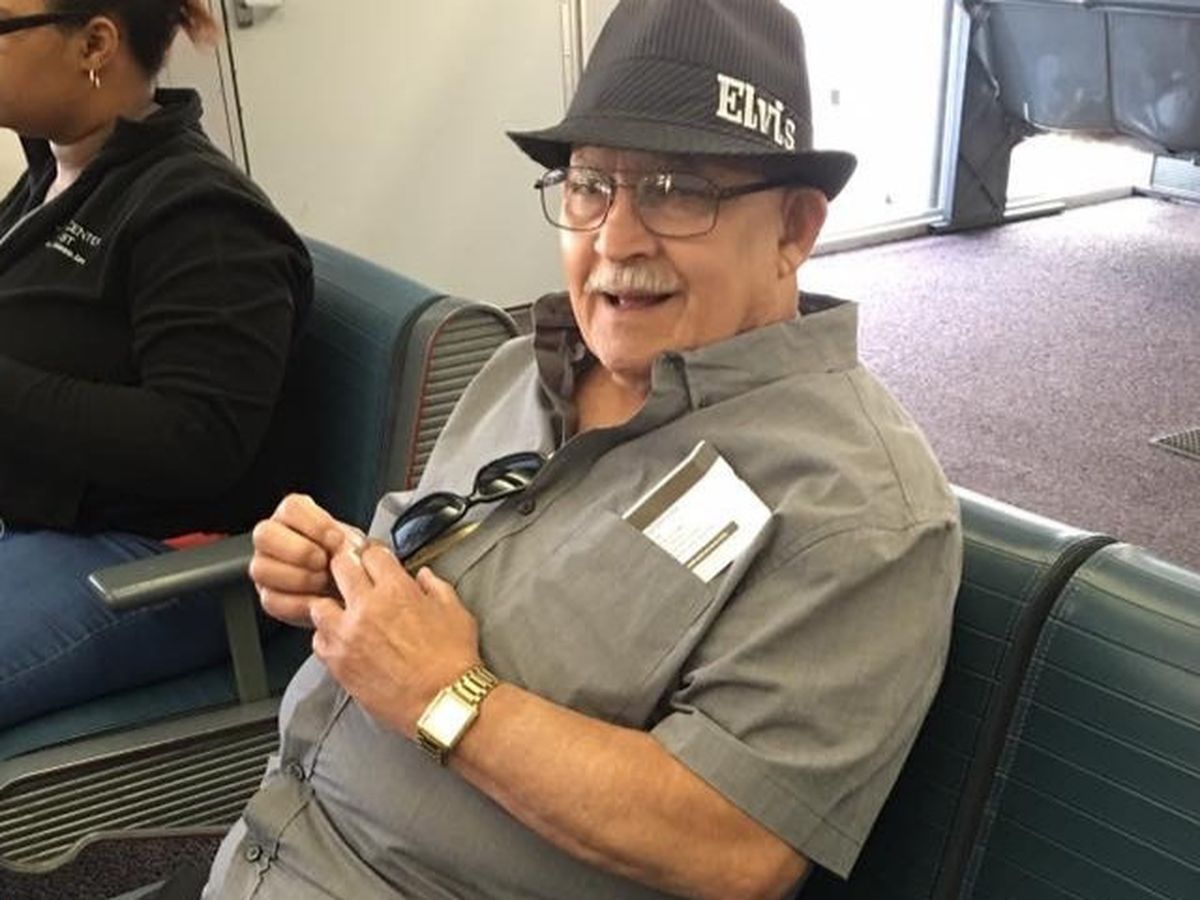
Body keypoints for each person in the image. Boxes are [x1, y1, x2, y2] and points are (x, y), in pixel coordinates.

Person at [203, 1, 961, 897]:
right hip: (260, 842)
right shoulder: (523, 367)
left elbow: (734, 849)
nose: (616, 238)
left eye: (679, 191)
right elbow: (423, 593)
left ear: (794, 229)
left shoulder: (857, 509)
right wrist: (339, 574)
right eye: (590, 185)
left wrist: (446, 697)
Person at [0, 0, 312, 728]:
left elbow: (197, 442)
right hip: (46, 520)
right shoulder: (59, 174)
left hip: (161, 561)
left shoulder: (202, 215)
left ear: (95, 45)